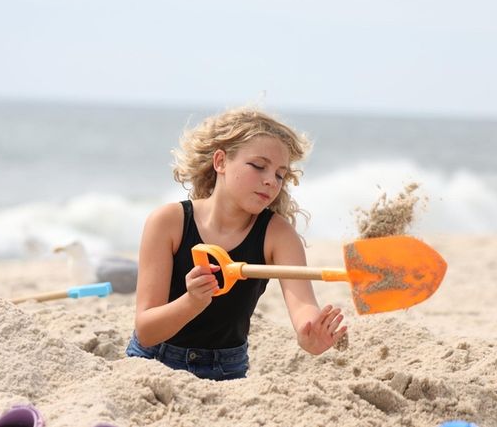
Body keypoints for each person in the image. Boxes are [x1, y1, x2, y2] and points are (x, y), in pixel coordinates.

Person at [125, 108, 348, 380]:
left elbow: (303, 305)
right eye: (258, 166)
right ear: (220, 161)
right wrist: (192, 302)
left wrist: (309, 333)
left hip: (225, 369)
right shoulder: (168, 222)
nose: (270, 180)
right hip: (153, 360)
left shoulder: (277, 234)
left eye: (280, 174)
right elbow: (146, 330)